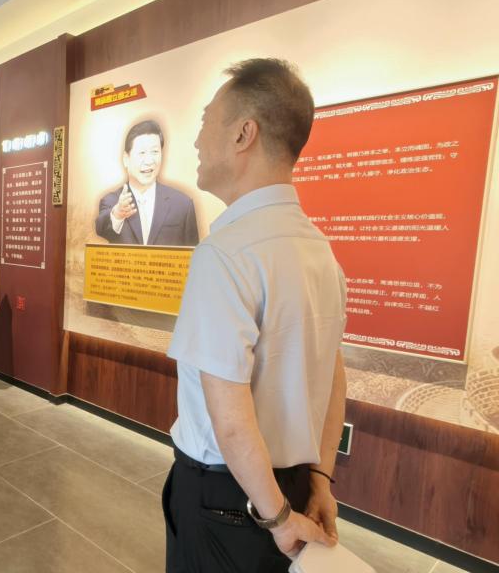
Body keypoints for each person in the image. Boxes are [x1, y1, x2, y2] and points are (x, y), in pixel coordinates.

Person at [162, 59, 348, 573]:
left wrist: (278, 519)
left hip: (229, 499)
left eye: (205, 122)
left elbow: (230, 418)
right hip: (291, 486)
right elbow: (333, 375)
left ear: (244, 133)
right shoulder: (321, 252)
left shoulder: (225, 253)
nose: (196, 141)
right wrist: (320, 481)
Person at [95, 119, 199, 246]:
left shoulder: (182, 204)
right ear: (126, 159)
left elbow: (194, 254)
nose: (149, 161)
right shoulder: (112, 201)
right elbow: (101, 228)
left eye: (155, 152)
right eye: (142, 153)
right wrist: (117, 214)